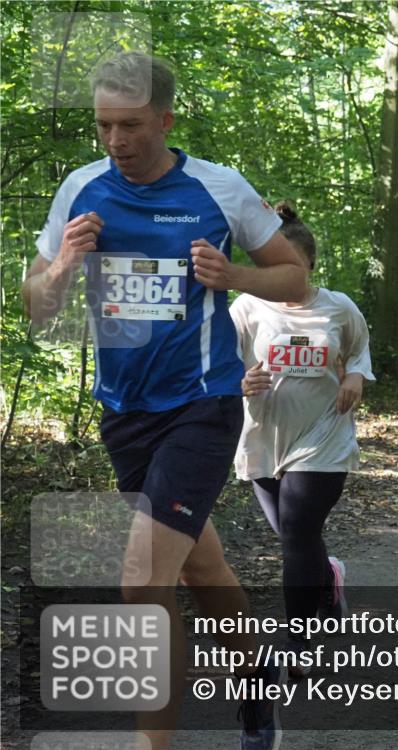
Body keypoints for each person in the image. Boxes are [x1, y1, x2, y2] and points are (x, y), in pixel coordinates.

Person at [22, 52, 307, 750]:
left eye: (131, 126)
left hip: (202, 405)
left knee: (141, 585)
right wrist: (61, 266)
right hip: (124, 413)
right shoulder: (81, 189)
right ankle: (258, 674)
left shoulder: (217, 187)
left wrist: (234, 272)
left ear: (165, 120)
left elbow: (295, 276)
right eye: (104, 127)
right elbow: (35, 305)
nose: (116, 141)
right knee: (202, 565)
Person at [232, 201, 374, 679]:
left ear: (308, 263)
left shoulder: (338, 306)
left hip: (324, 435)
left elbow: (358, 351)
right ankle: (328, 576)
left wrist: (356, 376)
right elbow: (219, 364)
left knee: (295, 531)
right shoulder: (247, 307)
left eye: (286, 264)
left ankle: (299, 641)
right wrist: (240, 381)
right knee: (296, 536)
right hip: (265, 436)